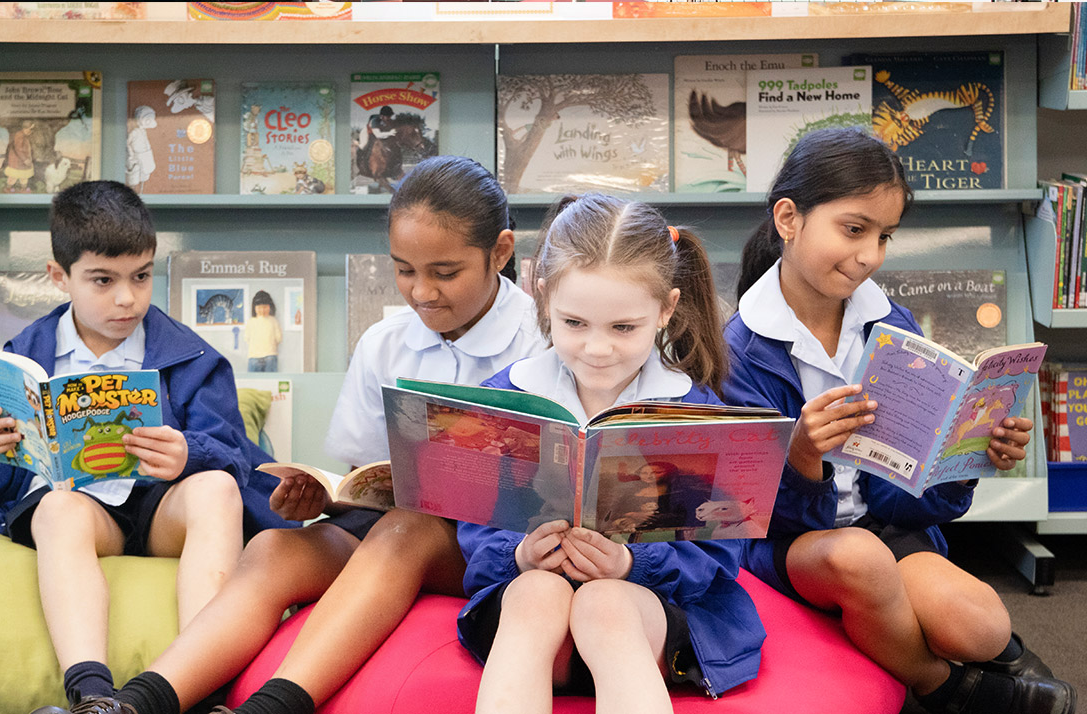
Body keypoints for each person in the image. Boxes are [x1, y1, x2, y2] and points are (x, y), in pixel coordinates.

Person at [84, 156, 546, 714]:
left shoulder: (544, 340)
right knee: (275, 547)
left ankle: (270, 708)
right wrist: (323, 495)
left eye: (445, 273)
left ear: (500, 252)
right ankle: (131, 704)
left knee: (408, 527)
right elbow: (363, 472)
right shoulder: (385, 341)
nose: (422, 292)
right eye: (404, 270)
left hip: (494, 545)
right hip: (387, 526)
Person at [723, 128, 1070, 713]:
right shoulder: (738, 349)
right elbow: (743, 515)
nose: (870, 256)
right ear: (789, 218)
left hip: (884, 530)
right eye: (854, 230)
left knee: (980, 627)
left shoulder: (893, 326)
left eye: (884, 236)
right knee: (855, 557)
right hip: (792, 543)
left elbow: (904, 502)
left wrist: (966, 456)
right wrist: (803, 456)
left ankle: (944, 654)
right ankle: (945, 686)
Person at [0, 181, 295, 714]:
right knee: (57, 509)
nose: (127, 298)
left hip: (161, 510)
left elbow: (233, 453)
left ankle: (205, 689)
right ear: (59, 277)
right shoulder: (24, 355)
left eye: (141, 276)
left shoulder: (192, 355)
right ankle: (91, 696)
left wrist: (188, 453)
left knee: (218, 488)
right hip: (84, 512)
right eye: (102, 281)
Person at [461, 193, 760, 713]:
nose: (597, 349)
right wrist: (521, 554)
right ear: (543, 295)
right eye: (574, 323)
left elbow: (719, 553)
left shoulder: (696, 412)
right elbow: (476, 530)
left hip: (647, 620)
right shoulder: (505, 398)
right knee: (536, 593)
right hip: (535, 626)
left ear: (666, 309)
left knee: (605, 603)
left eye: (624, 328)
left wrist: (630, 563)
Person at [245, 291, 281, 372]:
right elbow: (247, 338)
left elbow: (279, 338)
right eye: (259, 308)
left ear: (270, 307)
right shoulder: (251, 321)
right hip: (256, 356)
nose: (262, 310)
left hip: (269, 356)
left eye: (265, 307)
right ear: (254, 308)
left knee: (265, 381)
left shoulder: (273, 321)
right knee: (254, 382)